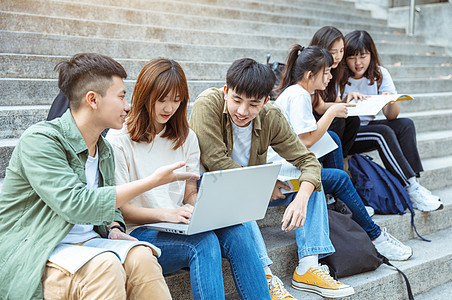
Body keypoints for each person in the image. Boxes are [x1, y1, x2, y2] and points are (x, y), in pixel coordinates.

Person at [0, 53, 199, 299]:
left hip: (89, 245)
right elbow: (75, 204)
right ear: (92, 99)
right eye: (121, 96)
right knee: (105, 265)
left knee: (141, 256)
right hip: (40, 250)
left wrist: (114, 226)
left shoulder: (103, 149)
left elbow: (110, 208)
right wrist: (153, 181)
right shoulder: (40, 141)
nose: (128, 106)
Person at [106, 57, 271, 300]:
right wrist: (167, 215)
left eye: (176, 100)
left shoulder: (186, 138)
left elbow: (189, 193)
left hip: (179, 225)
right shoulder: (119, 140)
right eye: (161, 99)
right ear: (144, 94)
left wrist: (202, 211)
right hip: (140, 232)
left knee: (238, 232)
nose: (168, 108)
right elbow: (123, 210)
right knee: (203, 243)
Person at [189, 58, 355, 299]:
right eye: (236, 100)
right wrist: (263, 186)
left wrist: (301, 198)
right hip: (214, 192)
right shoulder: (208, 103)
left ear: (266, 102)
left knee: (309, 183)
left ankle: (308, 266)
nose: (243, 111)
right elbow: (216, 163)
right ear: (226, 92)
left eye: (253, 104)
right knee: (237, 190)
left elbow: (307, 161)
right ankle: (263, 275)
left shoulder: (271, 116)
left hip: (256, 189)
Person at [270, 44, 412, 261]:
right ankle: (376, 236)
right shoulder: (298, 95)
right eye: (326, 72)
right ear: (310, 74)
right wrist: (332, 112)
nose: (329, 77)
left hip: (290, 162)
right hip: (284, 178)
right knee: (341, 178)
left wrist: (333, 111)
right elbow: (305, 140)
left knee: (333, 139)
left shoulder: (299, 92)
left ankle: (338, 204)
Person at [341, 30, 443, 212]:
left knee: (405, 125)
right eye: (352, 57)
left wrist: (390, 100)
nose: (358, 63)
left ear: (371, 55)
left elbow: (392, 116)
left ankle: (415, 185)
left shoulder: (379, 74)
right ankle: (411, 187)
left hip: (367, 127)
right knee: (382, 133)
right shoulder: (339, 76)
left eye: (363, 56)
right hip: (346, 134)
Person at [308, 26, 363, 157]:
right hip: (310, 118)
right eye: (333, 52)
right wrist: (342, 107)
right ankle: (329, 160)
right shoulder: (312, 68)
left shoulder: (336, 69)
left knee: (353, 119)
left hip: (323, 114)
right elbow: (319, 107)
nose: (338, 56)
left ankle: (341, 158)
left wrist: (348, 100)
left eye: (341, 51)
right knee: (338, 119)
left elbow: (336, 101)